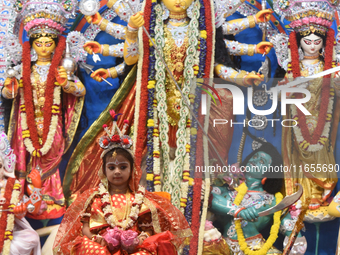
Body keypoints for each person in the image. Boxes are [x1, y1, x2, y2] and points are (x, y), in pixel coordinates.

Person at [65, 0, 274, 210]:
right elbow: (131, 60)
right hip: (154, 103)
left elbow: (217, 65)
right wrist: (131, 30)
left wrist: (243, 78)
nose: (179, 1)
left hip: (194, 105)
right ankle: (148, 211)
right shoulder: (150, 21)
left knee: (193, 164)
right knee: (151, 162)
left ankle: (192, 213)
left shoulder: (205, 25)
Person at [53, 110, 192, 254]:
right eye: (112, 167)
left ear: (132, 170)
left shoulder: (141, 198)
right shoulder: (94, 198)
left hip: (134, 247)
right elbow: (85, 228)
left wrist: (140, 238)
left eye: (123, 167)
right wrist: (97, 239)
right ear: (104, 171)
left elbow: (147, 228)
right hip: (101, 246)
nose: (117, 171)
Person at [2, 0, 85, 219]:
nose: (45, 47)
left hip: (53, 123)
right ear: (32, 45)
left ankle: (50, 199)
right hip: (25, 122)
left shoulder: (61, 69)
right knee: (25, 158)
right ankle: (24, 199)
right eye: (40, 43)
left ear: (56, 43)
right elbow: (7, 93)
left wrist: (66, 83)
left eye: (49, 42)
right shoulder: (23, 68)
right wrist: (10, 89)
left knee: (50, 156)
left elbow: (81, 90)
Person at [272, 0, 339, 211]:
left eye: (316, 41)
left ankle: (319, 195)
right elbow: (280, 95)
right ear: (299, 43)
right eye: (307, 41)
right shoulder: (294, 68)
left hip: (322, 119)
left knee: (321, 149)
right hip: (297, 120)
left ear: (324, 43)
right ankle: (302, 196)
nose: (311, 45)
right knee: (299, 154)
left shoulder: (330, 68)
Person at [210, 139, 307, 254]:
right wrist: (238, 210)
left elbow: (293, 236)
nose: (255, 161)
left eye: (261, 161)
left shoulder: (273, 200)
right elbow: (210, 199)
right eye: (254, 157)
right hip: (222, 248)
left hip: (254, 248)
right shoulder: (226, 187)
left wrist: (297, 245)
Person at [0, 132, 42, 255]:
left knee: (32, 237)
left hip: (9, 234)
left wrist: (37, 188)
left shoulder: (11, 186)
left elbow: (32, 208)